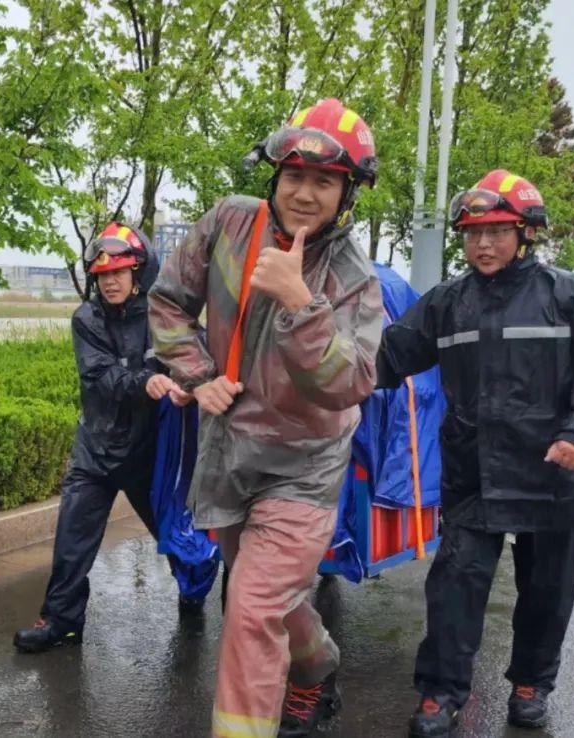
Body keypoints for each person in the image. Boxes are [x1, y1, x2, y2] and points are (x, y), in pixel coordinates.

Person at [148, 98, 384, 738]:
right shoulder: (229, 221)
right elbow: (168, 303)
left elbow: (353, 383)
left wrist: (302, 303)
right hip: (228, 455)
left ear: (347, 193)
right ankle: (317, 666)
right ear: (274, 178)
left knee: (250, 609)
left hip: (305, 468)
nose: (305, 193)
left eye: (325, 181)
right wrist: (199, 379)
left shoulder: (354, 278)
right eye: (293, 176)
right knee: (268, 601)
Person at [375, 168, 574, 736]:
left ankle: (531, 682)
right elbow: (387, 358)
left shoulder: (567, 295)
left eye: (496, 232)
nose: (483, 244)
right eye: (472, 234)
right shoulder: (447, 302)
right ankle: (441, 693)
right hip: (474, 474)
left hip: (553, 470)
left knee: (546, 590)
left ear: (526, 234)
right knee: (454, 586)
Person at [13, 223, 196, 654]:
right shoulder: (86, 319)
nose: (110, 282)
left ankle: (194, 591)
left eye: (119, 272)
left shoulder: (161, 317)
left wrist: (186, 382)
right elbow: (99, 376)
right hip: (94, 452)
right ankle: (61, 621)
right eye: (102, 275)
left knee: (172, 532)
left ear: (139, 274)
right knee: (72, 542)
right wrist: (145, 383)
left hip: (145, 454)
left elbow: (188, 358)